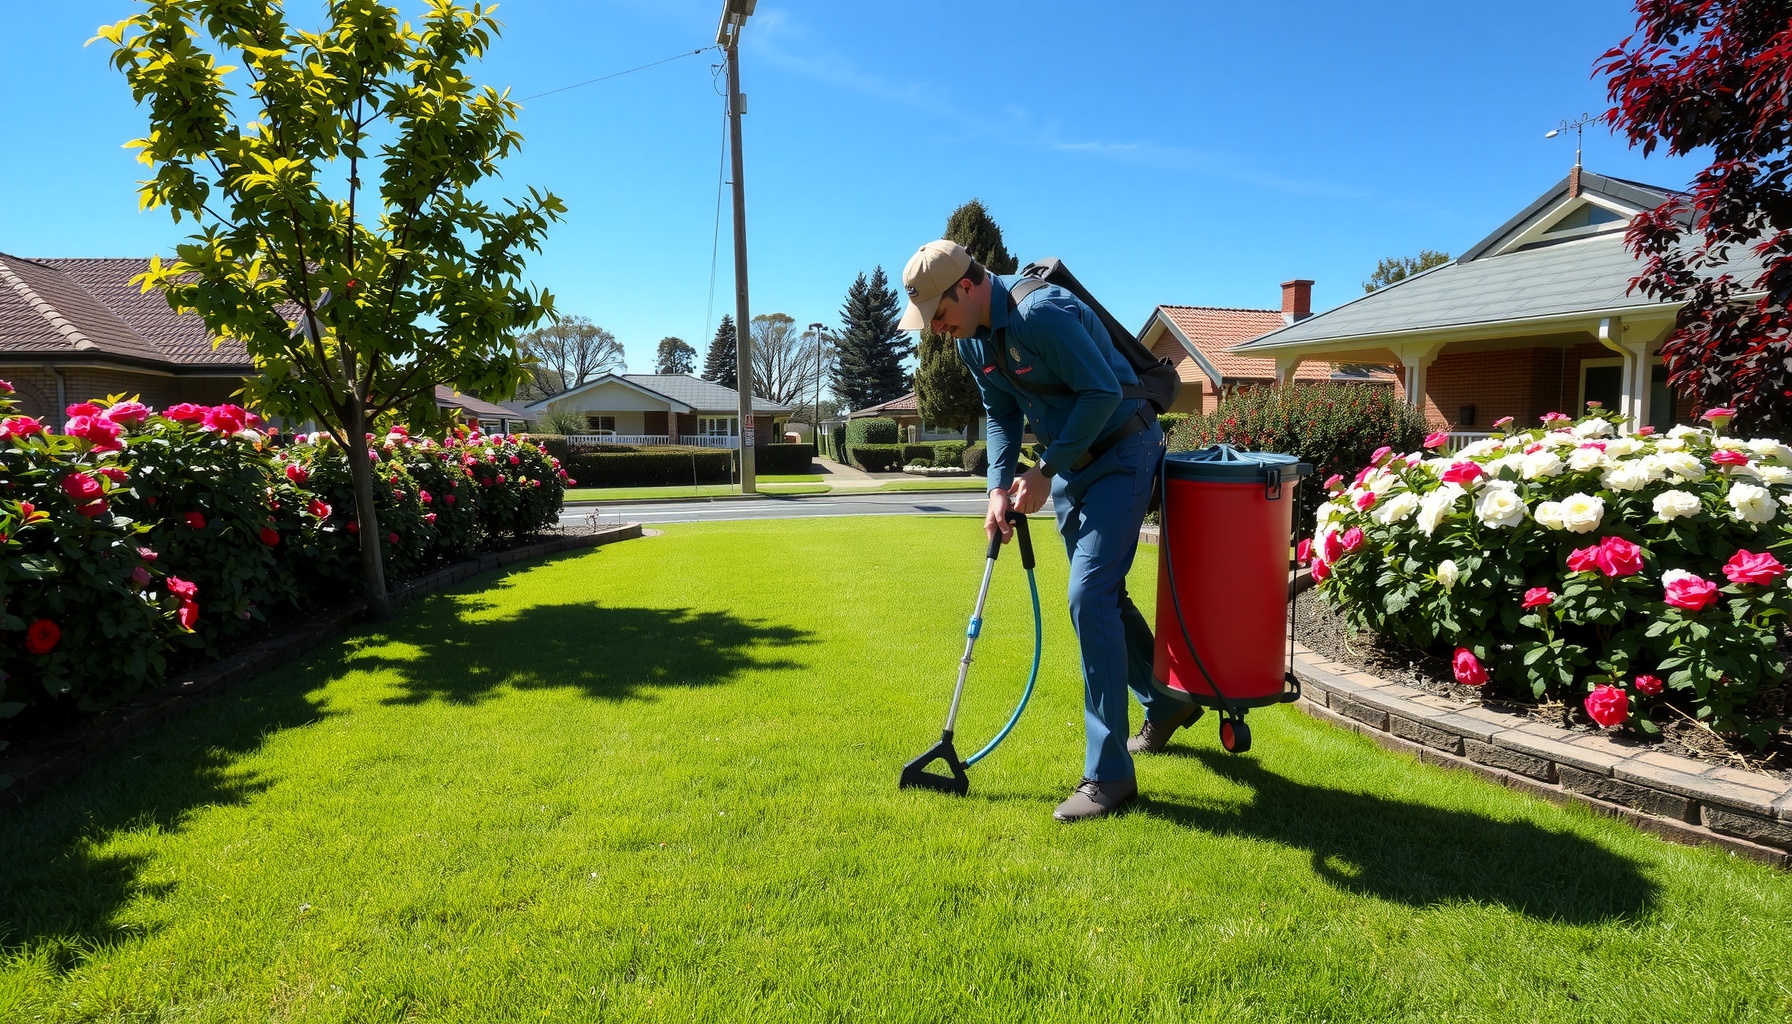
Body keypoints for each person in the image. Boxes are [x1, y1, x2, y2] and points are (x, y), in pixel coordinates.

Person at [897, 239, 1198, 822]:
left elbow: (1102, 392)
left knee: (1089, 597)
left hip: (1122, 452)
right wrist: (996, 486)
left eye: (939, 313)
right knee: (1104, 597)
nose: (936, 328)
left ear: (967, 286)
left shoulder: (1041, 312)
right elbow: (1002, 413)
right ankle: (1163, 704)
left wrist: (1045, 470)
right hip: (1071, 468)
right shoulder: (972, 342)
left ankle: (1109, 776)